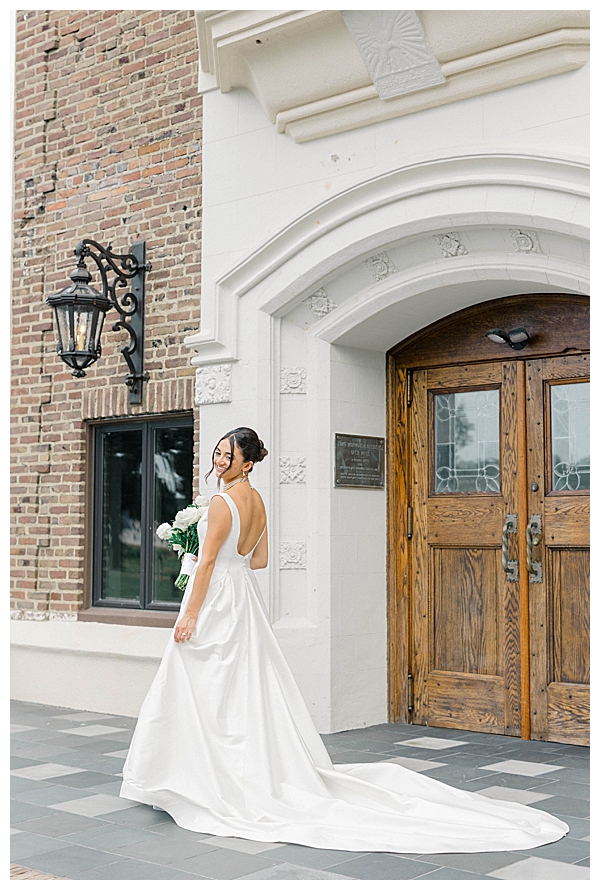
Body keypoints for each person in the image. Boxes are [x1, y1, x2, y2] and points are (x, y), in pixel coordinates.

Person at [120, 427, 568, 853]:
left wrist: (190, 613)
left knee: (205, 683)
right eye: (218, 452)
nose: (220, 460)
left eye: (228, 455)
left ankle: (199, 776)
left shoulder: (221, 502)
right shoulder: (257, 500)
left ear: (248, 463)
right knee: (241, 685)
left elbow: (209, 565)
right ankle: (228, 768)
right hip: (244, 601)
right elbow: (258, 560)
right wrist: (207, 557)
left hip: (217, 601)